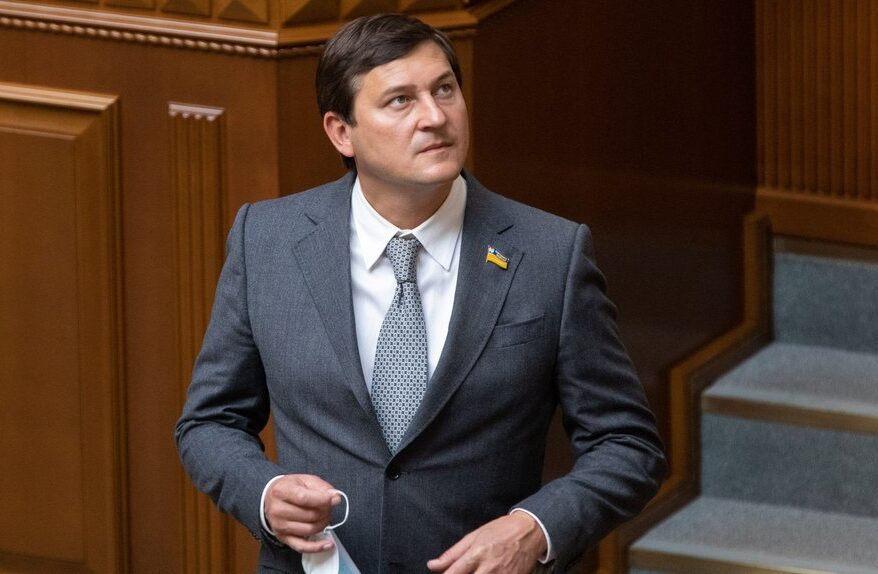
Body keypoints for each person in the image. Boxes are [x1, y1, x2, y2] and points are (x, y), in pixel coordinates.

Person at [176, 13, 666, 574]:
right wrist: (264, 494)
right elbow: (209, 423)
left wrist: (533, 529)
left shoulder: (551, 254)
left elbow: (628, 445)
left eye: (445, 90)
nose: (435, 117)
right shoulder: (266, 239)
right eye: (400, 101)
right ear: (341, 132)